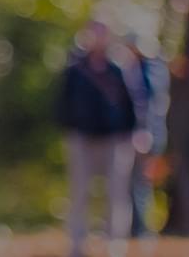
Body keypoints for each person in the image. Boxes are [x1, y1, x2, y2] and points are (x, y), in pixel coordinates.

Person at [56, 21, 141, 257]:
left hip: (115, 138)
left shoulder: (119, 68)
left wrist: (134, 131)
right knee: (79, 191)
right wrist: (68, 128)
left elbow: (133, 102)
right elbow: (63, 101)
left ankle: (115, 243)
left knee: (116, 192)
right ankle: (77, 243)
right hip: (81, 137)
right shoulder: (76, 67)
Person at [125, 30, 169, 238]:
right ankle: (137, 228)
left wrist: (145, 132)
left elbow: (148, 107)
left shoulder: (150, 71)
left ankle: (141, 230)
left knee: (141, 183)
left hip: (148, 135)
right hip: (150, 134)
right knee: (137, 183)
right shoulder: (154, 68)